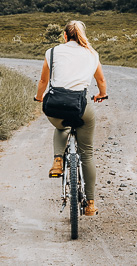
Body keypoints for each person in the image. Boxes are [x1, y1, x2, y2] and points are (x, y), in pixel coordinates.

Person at [34, 20, 108, 216]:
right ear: (82, 36)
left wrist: (39, 96)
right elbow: (101, 80)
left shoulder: (52, 52)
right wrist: (101, 94)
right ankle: (90, 204)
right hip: (81, 106)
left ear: (65, 36)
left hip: (56, 106)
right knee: (87, 154)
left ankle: (58, 160)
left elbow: (43, 80)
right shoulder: (92, 53)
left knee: (61, 126)